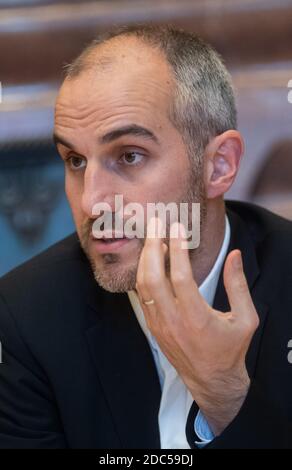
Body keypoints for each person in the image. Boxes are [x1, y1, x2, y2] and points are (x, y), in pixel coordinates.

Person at [0, 25, 292, 449]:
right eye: (75, 160)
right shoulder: (23, 316)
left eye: (129, 155)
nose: (91, 203)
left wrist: (225, 396)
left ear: (219, 166)